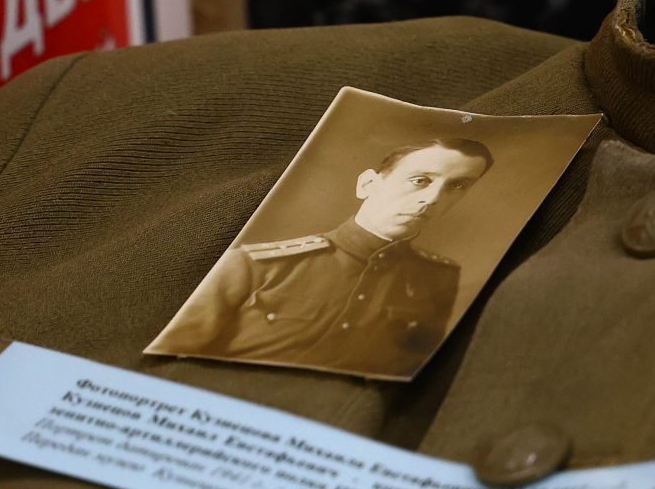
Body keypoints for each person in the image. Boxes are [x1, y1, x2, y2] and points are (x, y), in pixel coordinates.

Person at [152, 137, 494, 378]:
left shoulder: (438, 278)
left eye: (457, 186)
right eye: (420, 180)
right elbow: (167, 365)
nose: (432, 199)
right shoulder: (255, 265)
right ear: (367, 185)